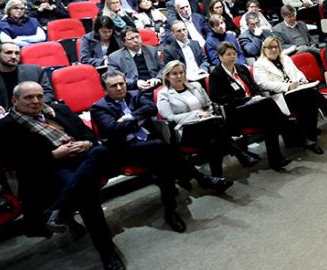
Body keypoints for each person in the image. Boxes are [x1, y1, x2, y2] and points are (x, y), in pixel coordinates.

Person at [0, 82, 124, 270]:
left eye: (40, 96)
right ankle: (107, 252)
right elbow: (11, 163)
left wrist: (85, 143)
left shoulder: (59, 110)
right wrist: (53, 155)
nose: (36, 101)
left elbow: (88, 134)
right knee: (85, 195)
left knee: (100, 150)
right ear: (14, 100)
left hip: (84, 159)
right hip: (49, 169)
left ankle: (60, 211)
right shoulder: (2, 127)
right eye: (29, 97)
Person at [91, 71, 232, 233]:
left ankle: (171, 213)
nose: (119, 88)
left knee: (163, 165)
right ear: (104, 89)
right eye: (113, 86)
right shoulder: (99, 107)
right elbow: (113, 129)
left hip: (152, 146)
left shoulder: (135, 95)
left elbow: (151, 108)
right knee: (163, 149)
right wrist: (138, 118)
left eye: (121, 84)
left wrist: (129, 118)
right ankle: (202, 178)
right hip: (127, 151)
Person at [207, 42, 300, 172]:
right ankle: (289, 127)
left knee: (270, 122)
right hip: (237, 112)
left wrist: (255, 97)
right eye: (228, 54)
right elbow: (218, 98)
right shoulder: (216, 75)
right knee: (268, 104)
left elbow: (254, 87)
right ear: (220, 57)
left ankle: (276, 161)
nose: (232, 57)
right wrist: (246, 100)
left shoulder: (241, 68)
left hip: (256, 108)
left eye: (234, 54)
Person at [157, 60, 260, 176]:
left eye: (181, 72)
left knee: (213, 142)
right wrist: (197, 114)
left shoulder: (195, 86)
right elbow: (169, 117)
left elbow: (209, 104)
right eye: (174, 74)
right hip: (186, 130)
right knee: (215, 133)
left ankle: (219, 178)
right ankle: (239, 153)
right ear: (167, 76)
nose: (179, 76)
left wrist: (207, 114)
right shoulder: (164, 94)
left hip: (208, 125)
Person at [0, 42, 54, 119]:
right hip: (5, 120)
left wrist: (36, 104)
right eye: (8, 53)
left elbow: (48, 93)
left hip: (34, 114)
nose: (14, 56)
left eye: (17, 53)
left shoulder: (35, 71)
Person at [106, 27, 162, 92]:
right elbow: (113, 78)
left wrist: (158, 78)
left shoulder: (152, 50)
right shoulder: (115, 58)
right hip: (134, 90)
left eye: (137, 37)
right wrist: (135, 83)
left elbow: (163, 68)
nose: (136, 40)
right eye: (131, 39)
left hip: (155, 86)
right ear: (124, 42)